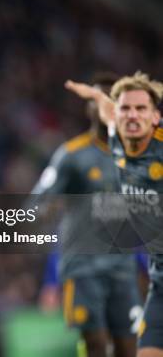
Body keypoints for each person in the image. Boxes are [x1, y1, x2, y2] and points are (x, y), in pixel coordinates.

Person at [33, 74, 141, 357]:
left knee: (127, 348)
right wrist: (51, 280)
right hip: (83, 269)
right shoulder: (71, 156)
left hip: (124, 269)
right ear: (88, 108)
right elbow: (36, 205)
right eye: (97, 98)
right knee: (94, 343)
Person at [66, 72, 162, 357]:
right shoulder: (119, 140)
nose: (131, 116)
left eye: (141, 109)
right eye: (124, 108)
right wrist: (96, 96)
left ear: (155, 116)